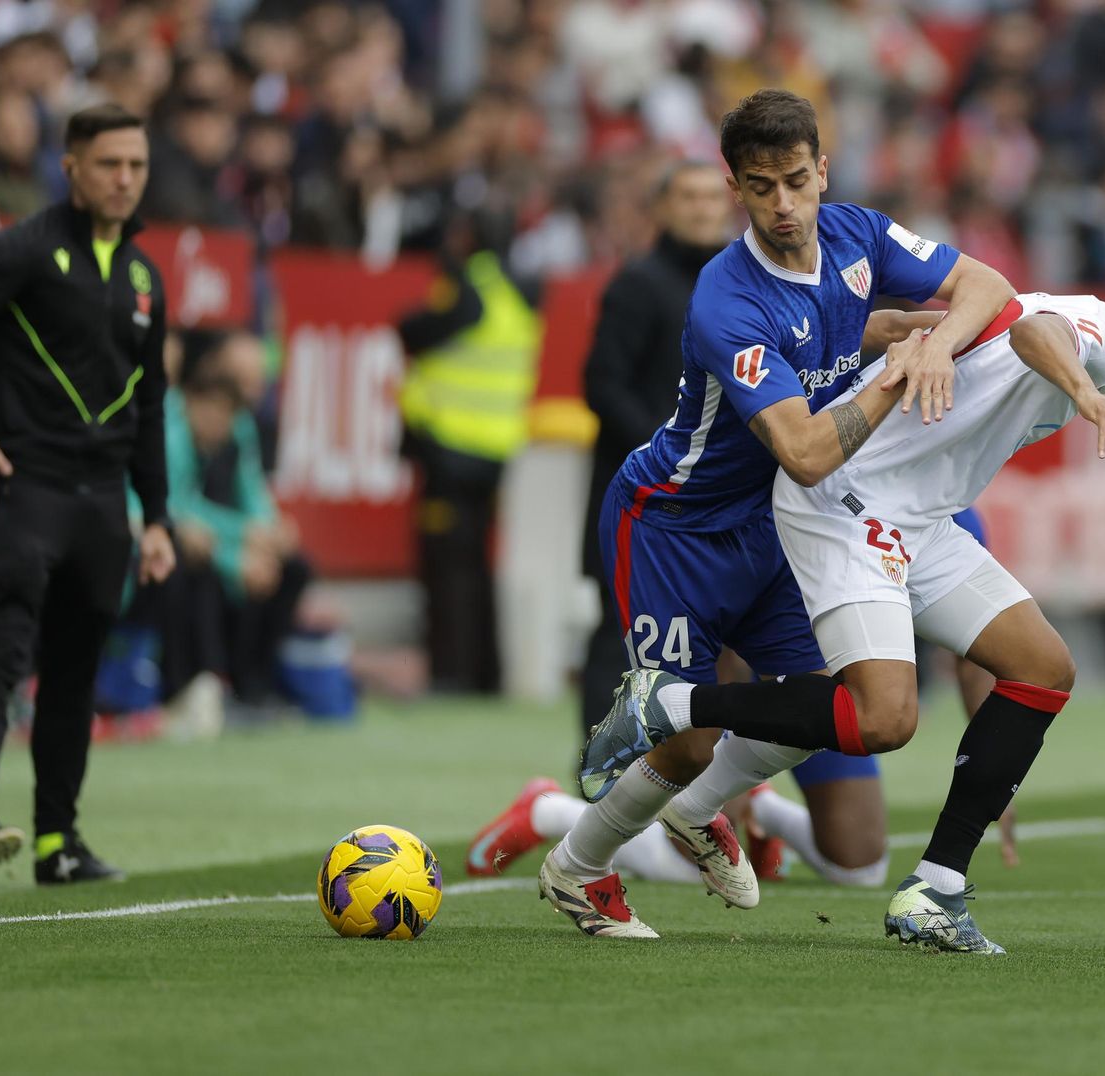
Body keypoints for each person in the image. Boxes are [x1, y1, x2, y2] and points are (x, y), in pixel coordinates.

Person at [582, 237, 1105, 951]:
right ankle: (669, 705)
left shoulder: (1097, 333)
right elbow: (1031, 329)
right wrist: (1087, 394)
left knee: (1044, 667)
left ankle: (937, 888)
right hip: (849, 507)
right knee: (884, 718)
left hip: (917, 522)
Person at [537, 88, 1015, 938]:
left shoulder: (860, 236)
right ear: (737, 187)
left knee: (831, 703)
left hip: (769, 528)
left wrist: (929, 339)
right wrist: (904, 364)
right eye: (762, 187)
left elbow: (986, 284)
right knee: (681, 743)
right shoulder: (726, 298)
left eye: (797, 180)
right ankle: (576, 870)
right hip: (673, 528)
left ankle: (700, 808)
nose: (785, 205)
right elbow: (803, 449)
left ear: (823, 169)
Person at [0, 103, 177, 886]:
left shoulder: (143, 277)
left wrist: (155, 515)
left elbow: (149, 404)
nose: (124, 180)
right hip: (25, 490)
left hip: (100, 509)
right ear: (72, 168)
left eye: (137, 166)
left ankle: (59, 843)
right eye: (109, 165)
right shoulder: (23, 250)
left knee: (75, 673)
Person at [580, 160, 733, 734]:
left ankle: (699, 781)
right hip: (640, 498)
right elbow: (601, 384)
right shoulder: (638, 284)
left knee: (712, 640)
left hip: (713, 499)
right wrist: (665, 451)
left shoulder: (737, 283)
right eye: (686, 197)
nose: (700, 208)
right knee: (618, 633)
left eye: (709, 198)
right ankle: (602, 770)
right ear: (662, 209)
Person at [397, 243, 541, 694]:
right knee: (477, 564)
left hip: (450, 449)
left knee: (448, 564)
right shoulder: (521, 294)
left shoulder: (469, 290)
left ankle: (451, 672)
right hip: (495, 450)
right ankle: (484, 672)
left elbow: (412, 332)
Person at [159, 361, 308, 709]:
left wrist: (269, 531)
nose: (221, 426)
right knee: (197, 566)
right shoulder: (170, 434)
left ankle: (255, 683)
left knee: (292, 568)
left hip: (215, 536)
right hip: (168, 538)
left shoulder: (237, 429)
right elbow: (175, 506)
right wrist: (238, 551)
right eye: (214, 415)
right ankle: (201, 684)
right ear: (191, 402)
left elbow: (252, 489)